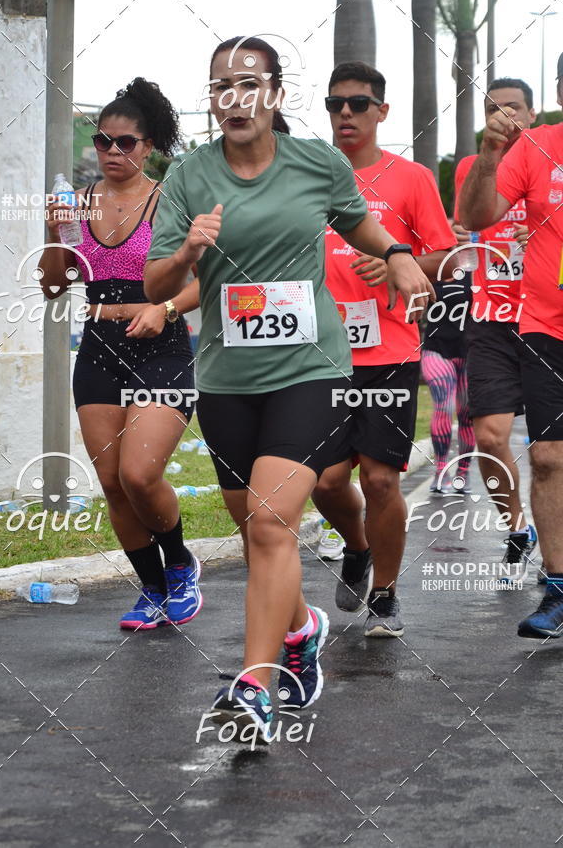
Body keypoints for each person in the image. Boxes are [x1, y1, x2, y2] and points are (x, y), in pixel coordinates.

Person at [144, 37, 434, 742]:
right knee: (255, 530)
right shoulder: (188, 176)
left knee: (272, 521)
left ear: (274, 95)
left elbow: (357, 222)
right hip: (226, 378)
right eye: (221, 86)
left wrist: (397, 255)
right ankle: (301, 629)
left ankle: (255, 687)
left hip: (311, 371)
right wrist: (187, 251)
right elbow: (155, 283)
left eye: (249, 84)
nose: (234, 98)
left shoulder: (316, 163)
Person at [41, 78, 202, 631]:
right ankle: (151, 589)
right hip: (99, 348)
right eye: (102, 141)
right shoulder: (77, 203)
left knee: (139, 473)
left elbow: (208, 283)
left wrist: (165, 308)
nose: (111, 151)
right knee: (111, 481)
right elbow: (54, 286)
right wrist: (55, 233)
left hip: (161, 348)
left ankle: (180, 565)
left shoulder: (169, 201)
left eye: (125, 142)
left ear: (148, 146)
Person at [312, 62, 456, 637]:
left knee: (379, 480)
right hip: (318, 353)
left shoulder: (411, 178)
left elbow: (447, 258)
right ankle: (357, 546)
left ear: (382, 112)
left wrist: (399, 261)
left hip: (388, 350)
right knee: (324, 482)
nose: (345, 113)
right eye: (335, 104)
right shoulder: (309, 176)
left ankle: (386, 594)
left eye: (358, 104)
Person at [459, 54, 563, 639]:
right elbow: (474, 217)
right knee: (543, 455)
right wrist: (491, 155)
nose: (505, 117)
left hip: (527, 317)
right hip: (535, 324)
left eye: (512, 109)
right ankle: (554, 581)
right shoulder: (531, 149)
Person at [453, 78, 539, 583]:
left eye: (514, 108)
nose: (504, 116)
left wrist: (544, 234)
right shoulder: (473, 164)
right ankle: (517, 529)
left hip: (546, 318)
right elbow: (466, 224)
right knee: (489, 436)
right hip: (491, 319)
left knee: (552, 451)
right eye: (494, 109)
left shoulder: (551, 161)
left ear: (532, 115)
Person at [421, 275, 475, 496]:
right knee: (444, 405)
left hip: (471, 351)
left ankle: (463, 471)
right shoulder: (430, 271)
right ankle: (441, 469)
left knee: (467, 414)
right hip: (436, 348)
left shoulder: (475, 271)